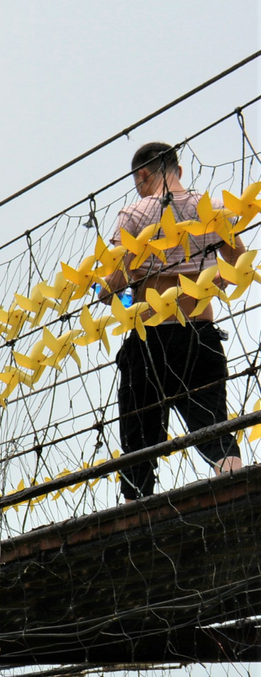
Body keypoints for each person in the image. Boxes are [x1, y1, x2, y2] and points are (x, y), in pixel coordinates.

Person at [99, 142, 247, 501]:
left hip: (150, 340)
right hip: (200, 331)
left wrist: (111, 292)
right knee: (214, 426)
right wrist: (214, 279)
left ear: (141, 175)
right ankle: (240, 491)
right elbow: (238, 259)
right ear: (178, 170)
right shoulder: (209, 208)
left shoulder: (133, 213)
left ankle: (138, 516)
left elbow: (116, 282)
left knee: (140, 440)